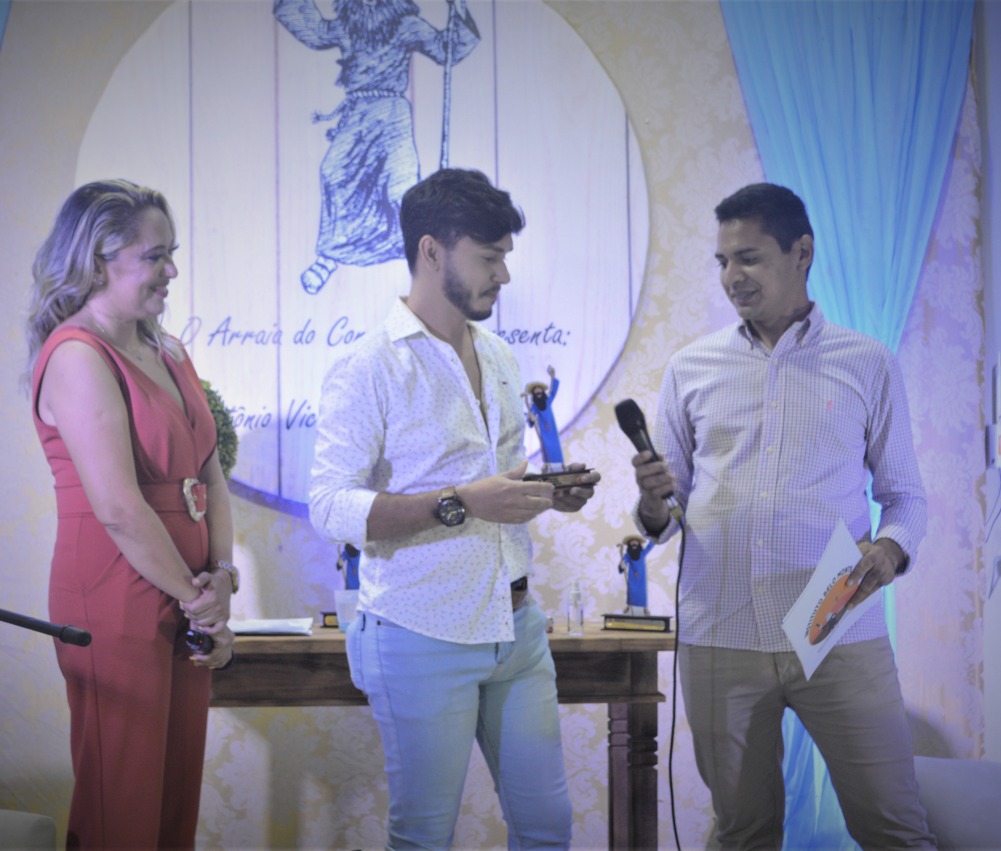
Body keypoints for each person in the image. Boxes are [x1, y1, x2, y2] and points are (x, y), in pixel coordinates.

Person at [629, 183, 935, 850]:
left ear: (802, 252)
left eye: (749, 257)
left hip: (837, 623)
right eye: (722, 261)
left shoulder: (867, 362)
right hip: (720, 630)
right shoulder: (690, 368)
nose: (732, 277)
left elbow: (907, 495)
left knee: (894, 827)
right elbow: (669, 510)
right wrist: (652, 504)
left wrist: (888, 550)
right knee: (743, 833)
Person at [309, 167, 599, 849]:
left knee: (548, 829)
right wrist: (462, 502)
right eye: (489, 257)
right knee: (424, 837)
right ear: (431, 251)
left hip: (517, 627)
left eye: (505, 257)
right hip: (420, 632)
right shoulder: (369, 366)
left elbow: (494, 488)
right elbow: (329, 505)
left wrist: (544, 492)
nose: (504, 274)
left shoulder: (498, 355)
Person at [24, 179, 238, 849]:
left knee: (173, 802)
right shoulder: (77, 356)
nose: (171, 270)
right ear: (97, 262)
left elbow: (210, 472)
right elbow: (118, 507)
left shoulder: (170, 350)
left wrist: (223, 577)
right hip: (112, 592)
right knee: (123, 804)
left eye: (172, 254)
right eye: (154, 256)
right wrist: (200, 601)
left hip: (187, 592)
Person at [274, 0, 481, 294]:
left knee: (401, 185)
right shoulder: (348, 25)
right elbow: (316, 31)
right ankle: (330, 256)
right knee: (334, 173)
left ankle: (423, 259)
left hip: (391, 113)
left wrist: (458, 10)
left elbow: (446, 49)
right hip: (358, 112)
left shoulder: (406, 25)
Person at [524, 365, 565, 472]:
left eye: (540, 390)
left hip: (552, 428)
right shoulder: (534, 406)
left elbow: (553, 391)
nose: (538, 393)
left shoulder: (548, 400)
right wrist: (531, 419)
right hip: (544, 429)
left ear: (543, 392)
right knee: (546, 446)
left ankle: (561, 465)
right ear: (533, 394)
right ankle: (548, 464)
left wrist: (553, 377)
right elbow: (531, 417)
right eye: (536, 391)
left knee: (556, 446)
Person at [617, 535, 654, 616]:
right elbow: (624, 562)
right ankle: (629, 606)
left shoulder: (642, 553)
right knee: (631, 590)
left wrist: (654, 538)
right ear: (629, 544)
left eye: (636, 541)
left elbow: (650, 547)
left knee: (642, 592)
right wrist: (622, 565)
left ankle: (645, 608)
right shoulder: (628, 555)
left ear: (639, 543)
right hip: (632, 577)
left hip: (641, 578)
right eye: (632, 541)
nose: (634, 542)